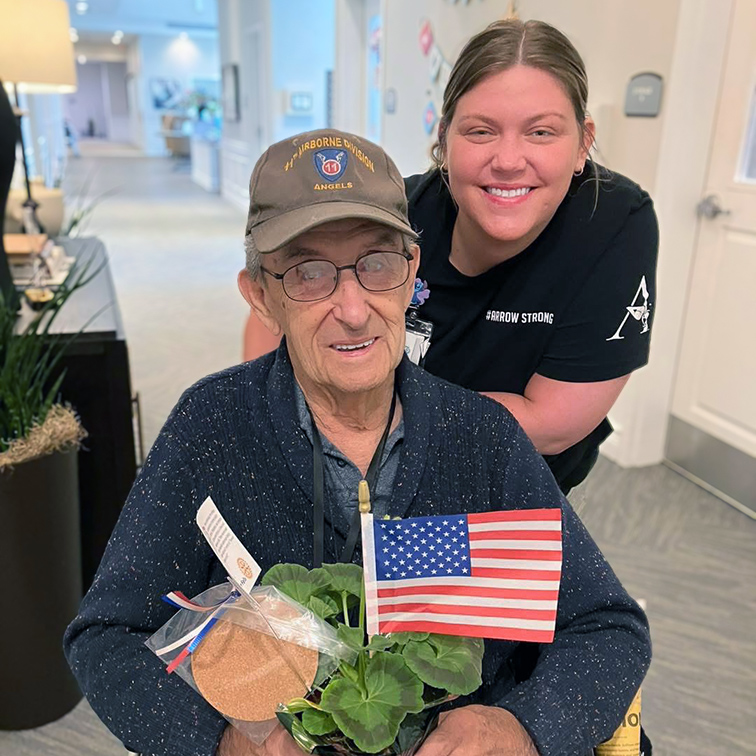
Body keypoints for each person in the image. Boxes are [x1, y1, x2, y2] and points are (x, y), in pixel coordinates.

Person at [65, 129, 650, 756]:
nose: (352, 307)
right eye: (308, 273)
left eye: (376, 263)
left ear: (411, 274)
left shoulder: (481, 438)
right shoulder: (213, 424)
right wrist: (218, 742)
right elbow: (106, 635)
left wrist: (521, 727)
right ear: (260, 296)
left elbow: (608, 627)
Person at [244, 19, 659, 496]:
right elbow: (275, 316)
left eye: (541, 132)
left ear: (583, 142)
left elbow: (553, 422)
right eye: (480, 131)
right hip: (369, 466)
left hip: (510, 474)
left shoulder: (614, 224)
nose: (508, 160)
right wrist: (272, 429)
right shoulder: (394, 216)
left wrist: (354, 415)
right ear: (444, 139)